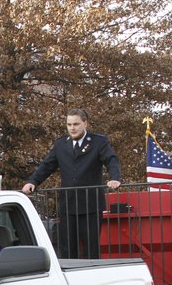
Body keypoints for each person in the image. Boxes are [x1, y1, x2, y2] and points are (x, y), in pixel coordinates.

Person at [22, 109, 121, 259]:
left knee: (91, 249)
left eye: (76, 124)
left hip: (91, 206)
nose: (72, 128)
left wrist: (115, 178)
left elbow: (111, 160)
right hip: (68, 206)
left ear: (85, 123)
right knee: (67, 249)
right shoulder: (61, 144)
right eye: (69, 124)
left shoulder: (99, 142)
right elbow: (47, 165)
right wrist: (32, 181)